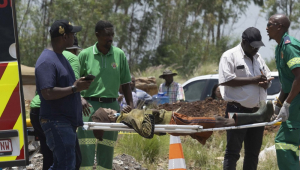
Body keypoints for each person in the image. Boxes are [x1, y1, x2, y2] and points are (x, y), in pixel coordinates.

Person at [35, 19, 92, 170]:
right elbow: (47, 93)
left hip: (65, 122)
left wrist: (77, 86)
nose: (75, 37)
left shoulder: (60, 57)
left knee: (64, 165)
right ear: (65, 37)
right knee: (66, 165)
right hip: (57, 122)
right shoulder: (47, 61)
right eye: (73, 34)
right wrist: (74, 88)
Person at [77, 20, 133, 170]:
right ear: (97, 35)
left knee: (107, 147)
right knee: (86, 148)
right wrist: (79, 98)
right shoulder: (85, 55)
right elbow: (73, 81)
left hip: (111, 107)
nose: (110, 38)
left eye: (112, 35)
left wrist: (131, 106)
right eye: (106, 35)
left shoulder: (119, 55)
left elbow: (126, 83)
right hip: (87, 107)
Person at [91, 100, 274, 145]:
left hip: (173, 120)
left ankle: (258, 116)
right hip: (172, 120)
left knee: (214, 122)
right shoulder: (126, 117)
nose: (110, 109)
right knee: (217, 121)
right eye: (106, 111)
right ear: (107, 118)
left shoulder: (125, 115)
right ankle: (258, 116)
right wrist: (149, 114)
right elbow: (146, 129)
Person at [218, 27, 273, 170]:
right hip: (237, 111)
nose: (256, 50)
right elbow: (226, 80)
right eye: (253, 47)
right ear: (244, 42)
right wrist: (254, 79)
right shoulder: (229, 56)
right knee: (233, 152)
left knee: (253, 153)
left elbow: (267, 76)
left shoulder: (258, 58)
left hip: (257, 112)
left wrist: (266, 83)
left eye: (258, 47)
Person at [30, 36, 83, 170]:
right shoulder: (70, 58)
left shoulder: (51, 57)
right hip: (57, 116)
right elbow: (73, 86)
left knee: (53, 160)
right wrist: (77, 89)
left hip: (39, 111)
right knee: (70, 162)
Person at [267, 14, 300, 170]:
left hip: (297, 104)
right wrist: (279, 105)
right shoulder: (280, 47)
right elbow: (287, 84)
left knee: (284, 143)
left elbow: (299, 76)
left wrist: (287, 104)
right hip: (294, 102)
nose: (267, 28)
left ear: (279, 27)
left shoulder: (289, 46)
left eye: (270, 25)